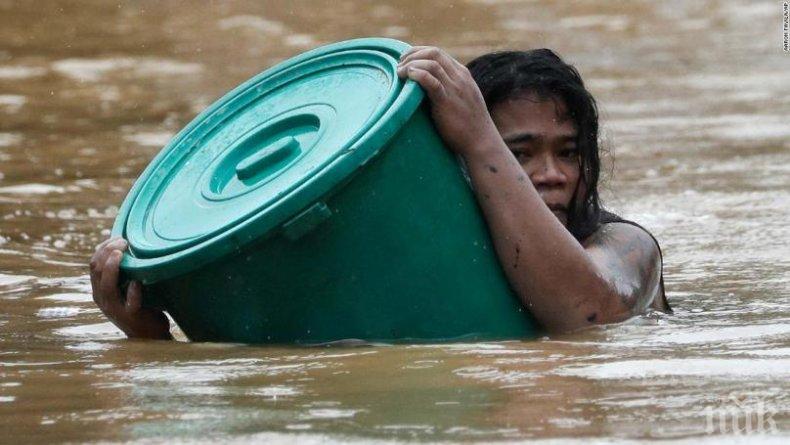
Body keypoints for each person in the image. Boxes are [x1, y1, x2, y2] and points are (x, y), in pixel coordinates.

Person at [89, 46, 670, 340]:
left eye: (569, 152)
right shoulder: (434, 258)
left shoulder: (626, 245)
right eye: (519, 153)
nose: (552, 174)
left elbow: (591, 316)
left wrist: (480, 138)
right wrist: (153, 338)